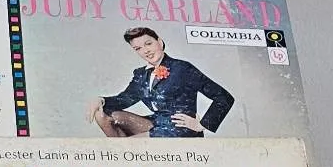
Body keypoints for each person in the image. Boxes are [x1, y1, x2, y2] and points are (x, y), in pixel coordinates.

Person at [88, 26, 234, 139]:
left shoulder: (182, 68)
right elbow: (125, 99)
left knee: (126, 147)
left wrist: (201, 125)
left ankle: (129, 157)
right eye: (138, 48)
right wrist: (100, 99)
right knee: (102, 114)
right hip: (156, 123)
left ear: (160, 42)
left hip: (178, 130)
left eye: (148, 44)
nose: (145, 51)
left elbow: (224, 97)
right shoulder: (141, 74)